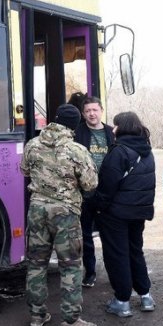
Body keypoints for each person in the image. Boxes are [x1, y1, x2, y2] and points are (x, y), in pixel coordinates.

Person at [19, 104, 98, 326]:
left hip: (36, 210)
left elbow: (24, 171)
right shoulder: (77, 150)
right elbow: (91, 184)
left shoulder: (32, 145)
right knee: (70, 265)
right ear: (74, 125)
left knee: (36, 263)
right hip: (65, 213)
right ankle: (71, 321)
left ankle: (37, 315)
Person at [93, 111, 156, 317]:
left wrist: (97, 206)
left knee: (117, 255)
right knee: (135, 251)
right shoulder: (147, 151)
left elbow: (107, 186)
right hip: (139, 212)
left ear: (123, 127)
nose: (114, 129)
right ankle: (145, 296)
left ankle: (122, 301)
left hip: (116, 214)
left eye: (116, 125)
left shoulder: (119, 151)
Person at [72, 95, 115, 288]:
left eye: (94, 110)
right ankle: (90, 272)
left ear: (101, 111)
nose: (91, 114)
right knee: (86, 236)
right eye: (88, 111)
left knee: (110, 235)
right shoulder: (77, 133)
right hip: (85, 194)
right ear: (83, 113)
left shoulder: (111, 133)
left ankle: (114, 271)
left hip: (107, 194)